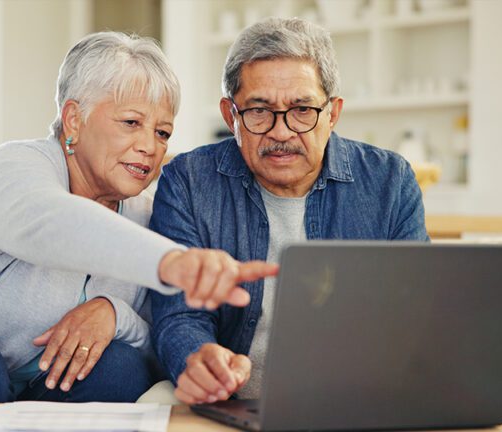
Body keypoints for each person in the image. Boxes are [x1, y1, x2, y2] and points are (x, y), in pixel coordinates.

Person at [0, 32, 277, 403]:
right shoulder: (14, 169)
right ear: (73, 119)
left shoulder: (144, 213)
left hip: (25, 387)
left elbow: (156, 334)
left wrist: (112, 312)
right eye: (130, 122)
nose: (150, 145)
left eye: (162, 132)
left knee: (122, 367)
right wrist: (173, 262)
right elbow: (52, 224)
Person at [150, 17, 429, 405]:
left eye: (301, 109)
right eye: (259, 111)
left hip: (356, 403)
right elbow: (178, 315)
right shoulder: (188, 181)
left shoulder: (389, 181)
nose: (281, 132)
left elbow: (414, 314)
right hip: (232, 404)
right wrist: (197, 358)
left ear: (332, 113)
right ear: (231, 117)